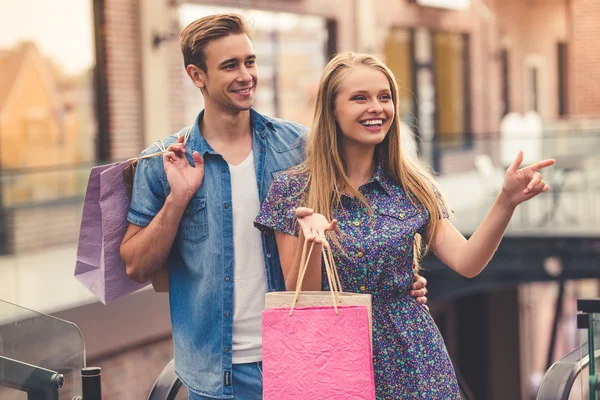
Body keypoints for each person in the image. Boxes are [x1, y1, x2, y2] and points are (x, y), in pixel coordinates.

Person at [120, 15, 428, 400]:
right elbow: (136, 266)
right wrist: (178, 198)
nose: (246, 75)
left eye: (249, 62)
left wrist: (398, 280)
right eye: (229, 66)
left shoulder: (299, 147)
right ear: (196, 76)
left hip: (306, 358)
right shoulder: (162, 162)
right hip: (219, 376)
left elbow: (363, 212)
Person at [254, 52, 554, 398]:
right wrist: (313, 240)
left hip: (413, 357)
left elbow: (468, 262)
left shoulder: (411, 186)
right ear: (332, 110)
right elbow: (303, 300)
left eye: (385, 97)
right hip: (332, 360)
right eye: (359, 98)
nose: (376, 108)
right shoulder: (294, 189)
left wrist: (505, 202)